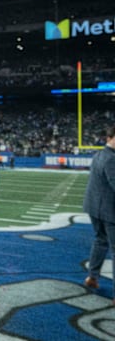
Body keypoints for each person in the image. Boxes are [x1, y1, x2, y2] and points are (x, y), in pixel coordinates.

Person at [83, 126, 115, 304]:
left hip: (94, 207)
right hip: (108, 210)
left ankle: (92, 277)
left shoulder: (99, 155)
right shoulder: (111, 159)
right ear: (109, 137)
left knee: (100, 241)